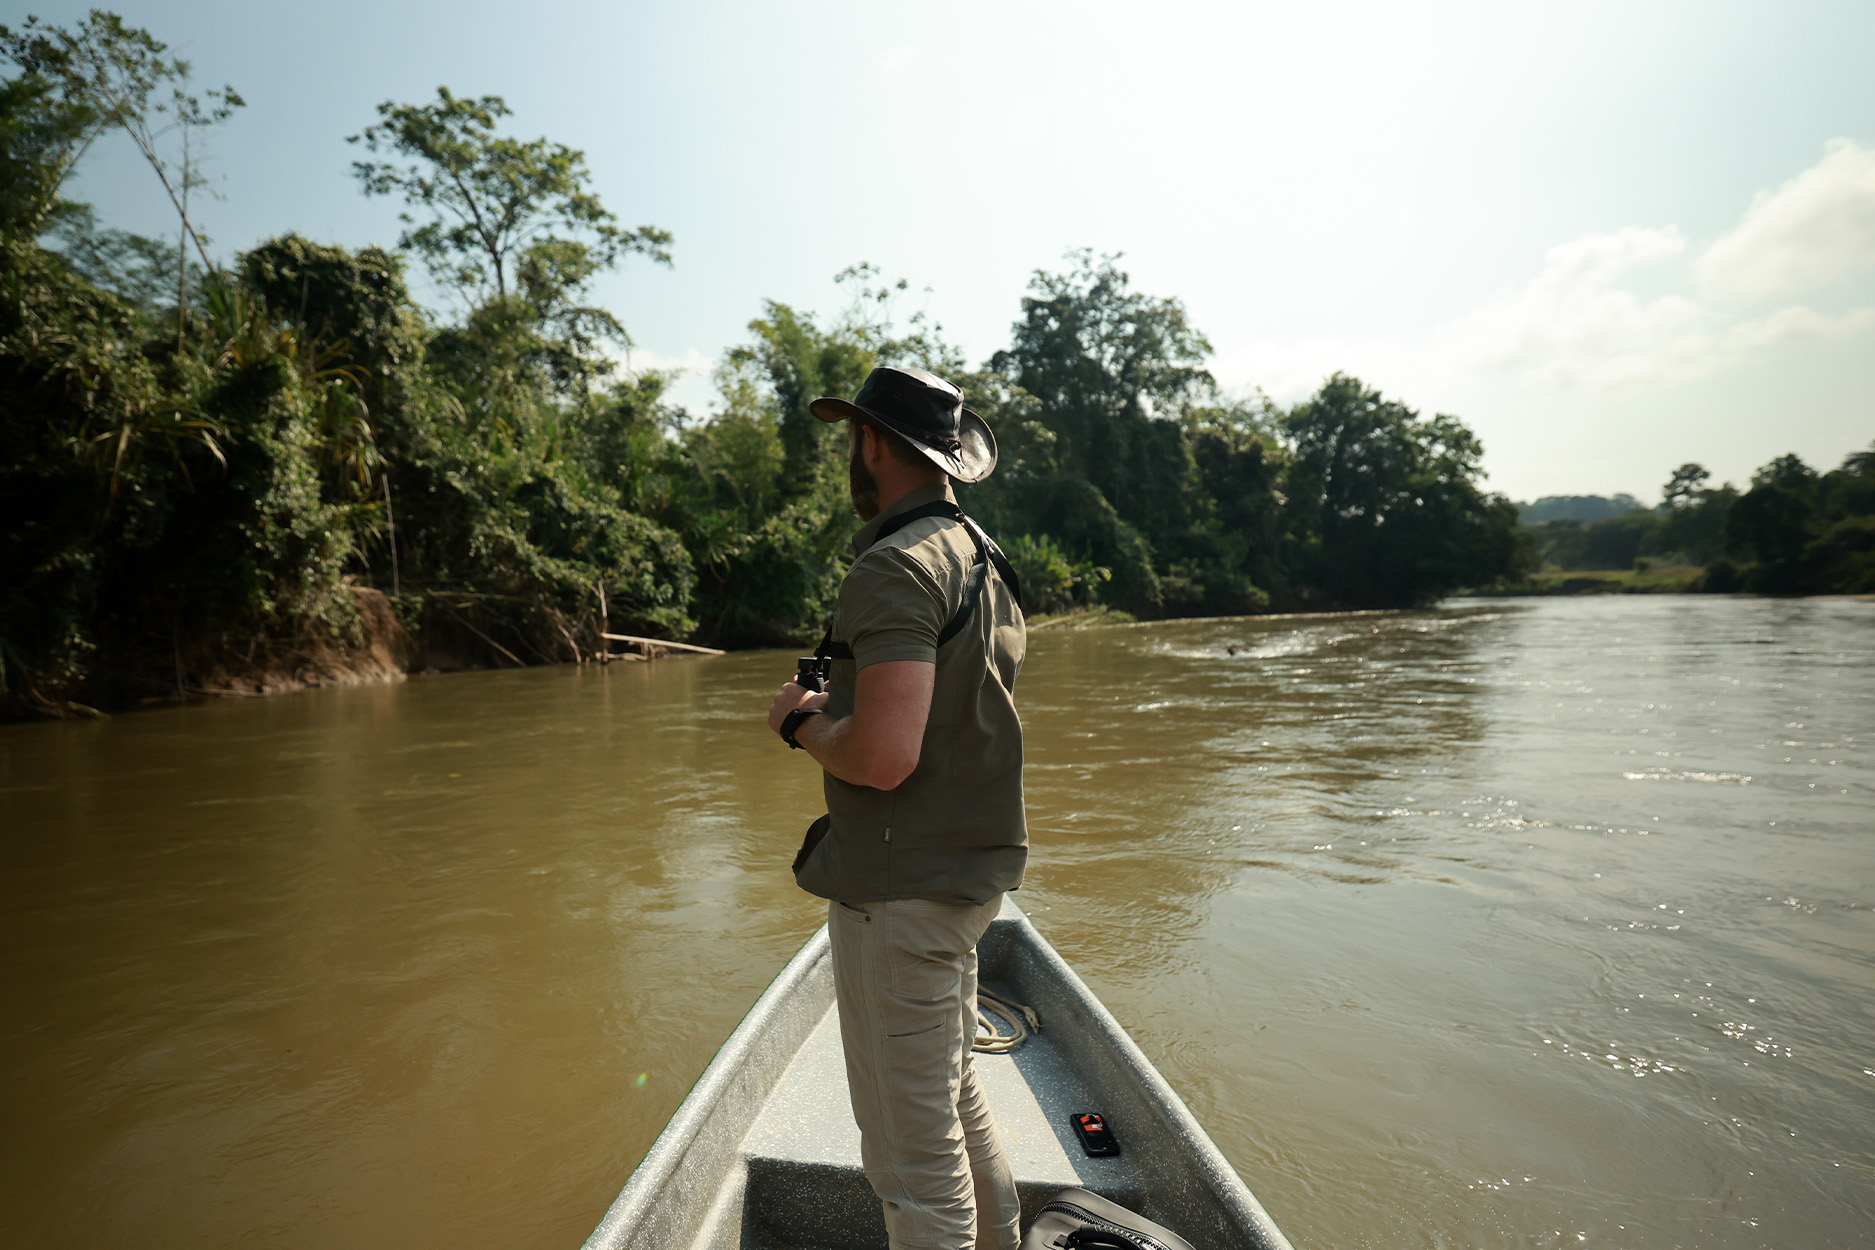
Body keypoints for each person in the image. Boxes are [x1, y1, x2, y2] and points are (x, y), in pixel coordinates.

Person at [765, 365, 1028, 1250]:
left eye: (853, 436)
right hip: (961, 882)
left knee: (911, 1166)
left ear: (871, 443)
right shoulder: (977, 555)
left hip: (898, 893)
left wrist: (802, 723)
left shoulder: (893, 566)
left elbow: (882, 757)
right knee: (953, 1097)